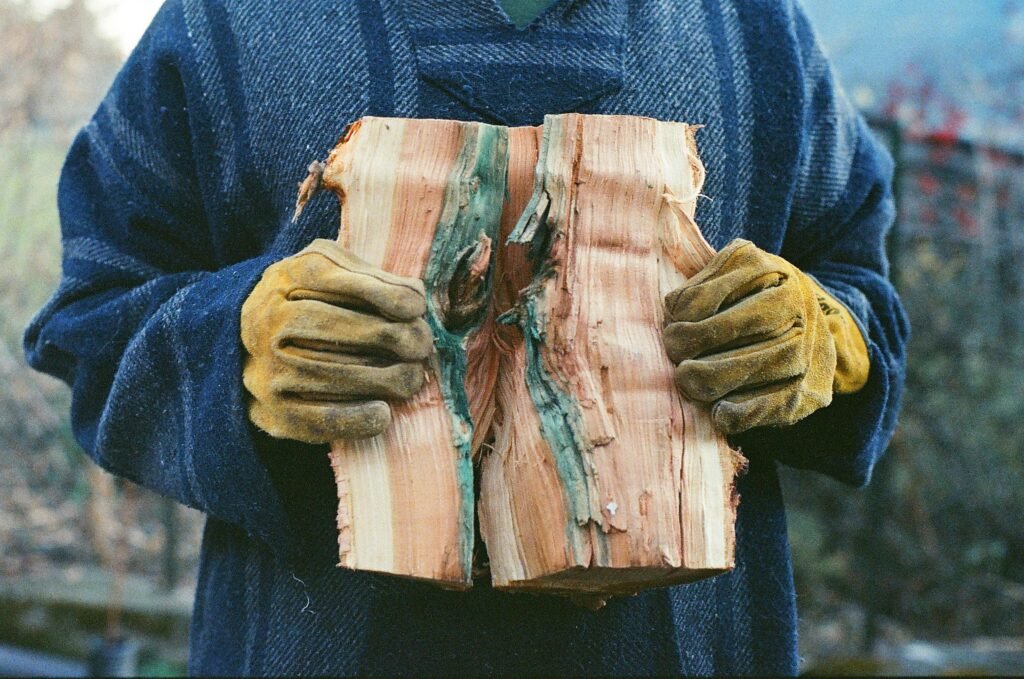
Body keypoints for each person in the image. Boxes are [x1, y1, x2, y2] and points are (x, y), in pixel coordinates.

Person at [24, 0, 909, 675]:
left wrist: (831, 339)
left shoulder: (757, 31)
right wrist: (238, 349)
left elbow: (861, 283)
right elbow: (92, 317)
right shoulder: (231, 23)